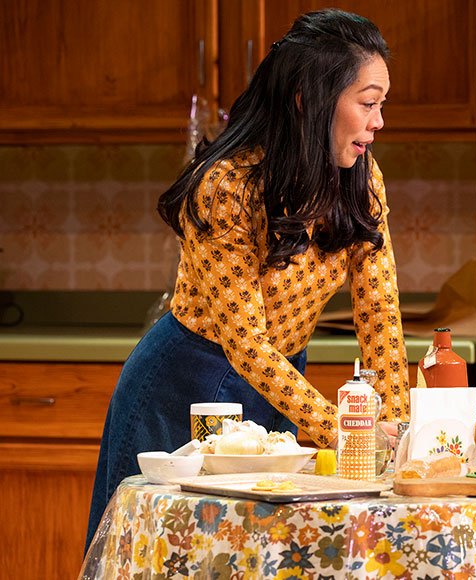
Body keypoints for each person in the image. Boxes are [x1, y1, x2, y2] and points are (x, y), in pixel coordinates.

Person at [86, 9, 408, 549]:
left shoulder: (360, 177)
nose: (378, 122)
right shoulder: (227, 185)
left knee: (251, 553)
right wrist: (346, 431)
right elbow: (246, 344)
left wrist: (394, 429)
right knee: (159, 551)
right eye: (368, 103)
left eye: (381, 105)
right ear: (310, 99)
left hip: (278, 387)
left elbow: (380, 314)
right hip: (188, 384)